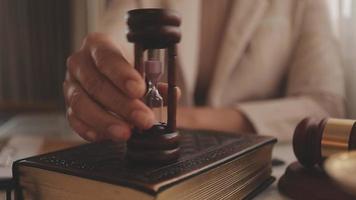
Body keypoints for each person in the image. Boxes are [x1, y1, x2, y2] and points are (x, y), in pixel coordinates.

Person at [63, 0, 345, 142]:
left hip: (248, 161)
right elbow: (115, 41)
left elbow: (324, 104)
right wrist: (101, 70)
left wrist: (180, 118)